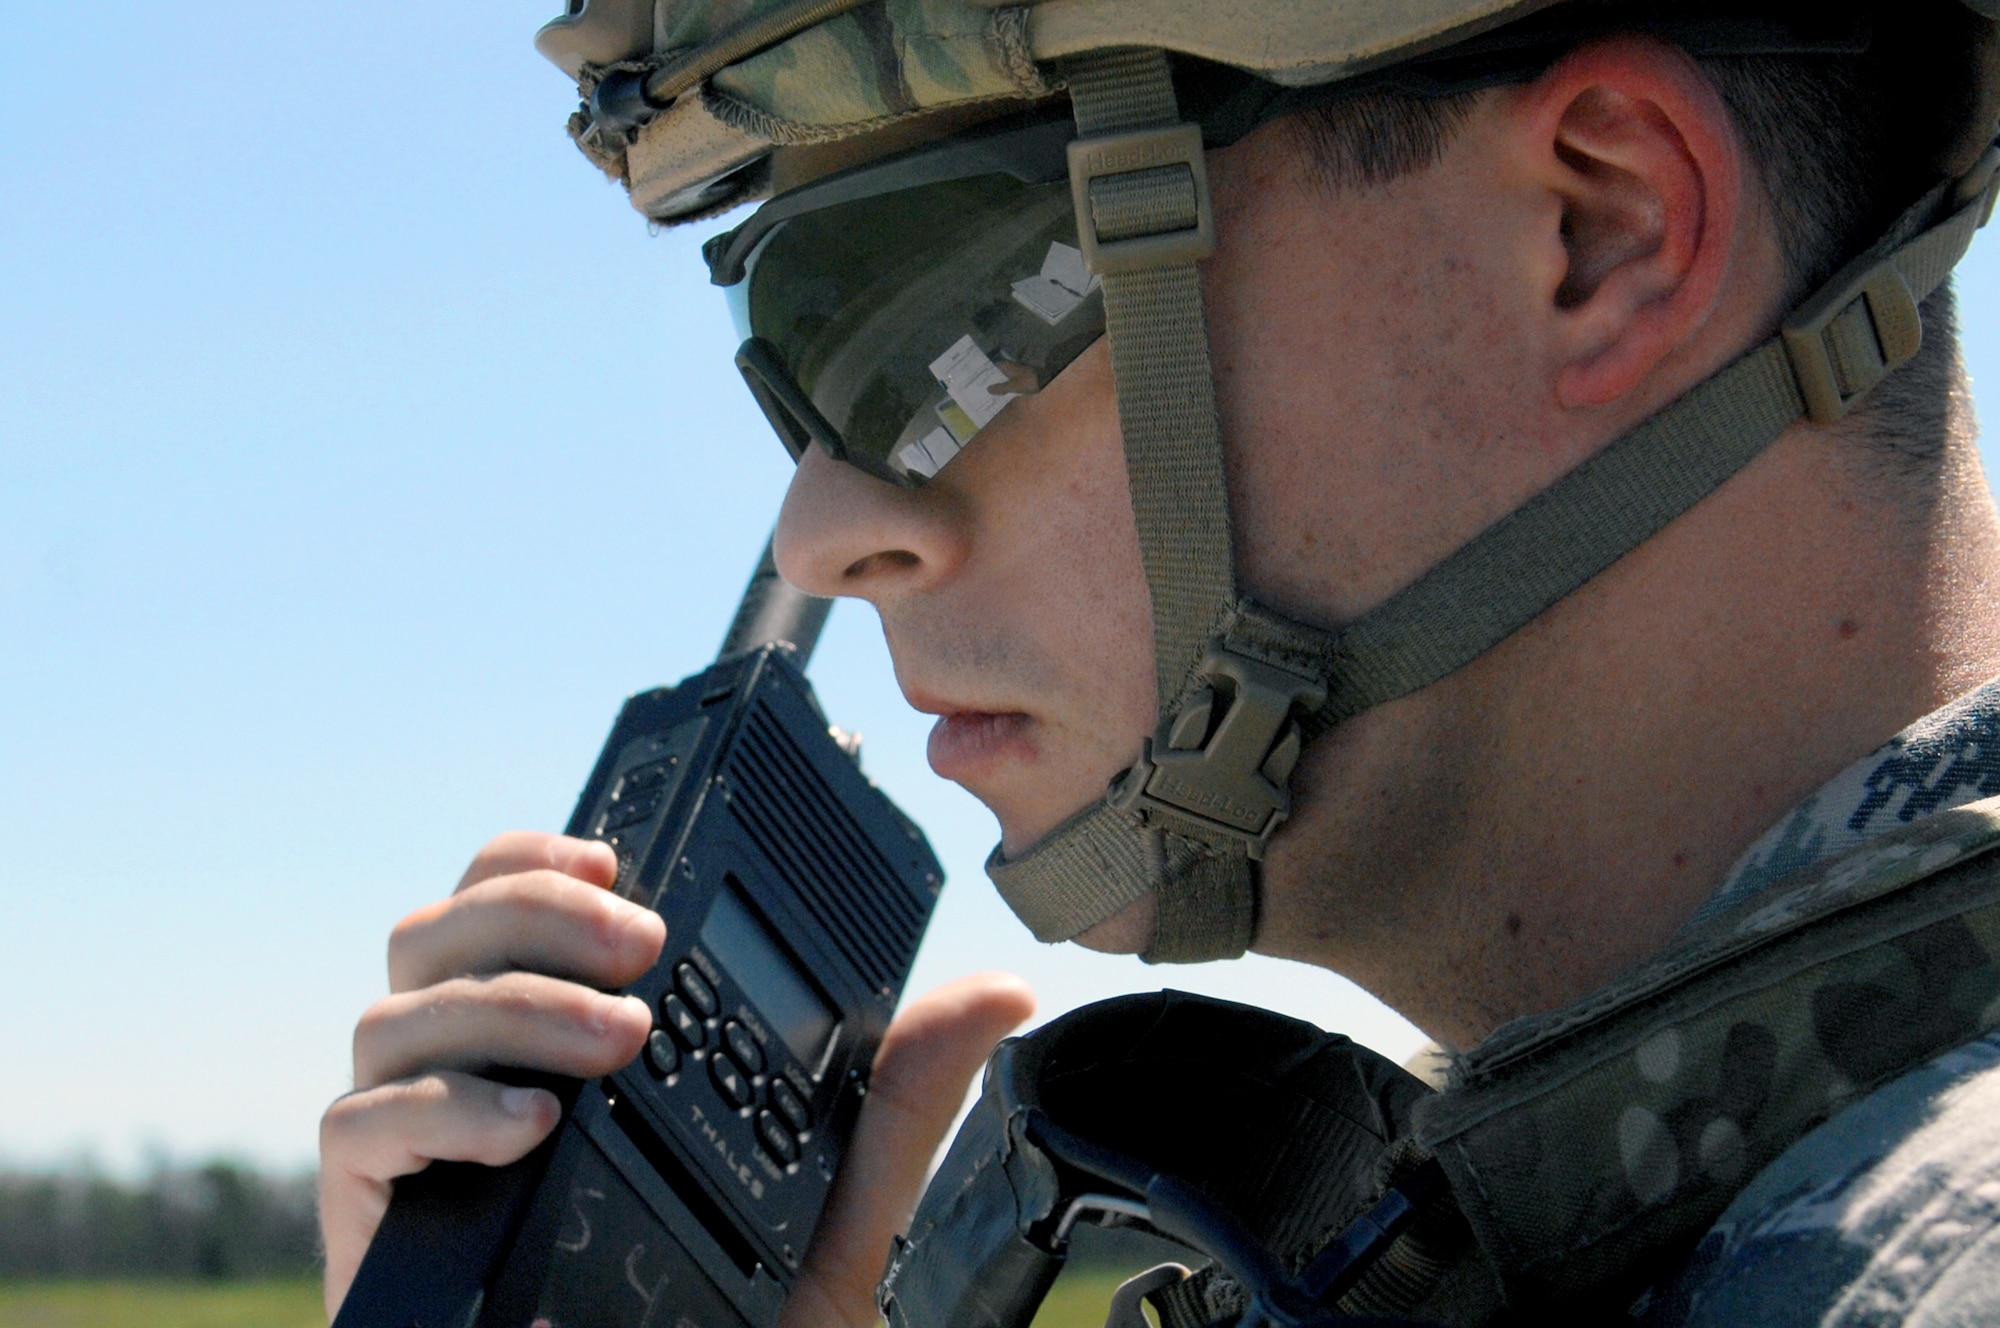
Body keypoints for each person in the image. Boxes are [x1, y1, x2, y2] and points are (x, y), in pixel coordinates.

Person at [320, 0, 2000, 1322]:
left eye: (928, 318)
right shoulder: (1568, 1238)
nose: (824, 527)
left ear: (1601, 232)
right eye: (797, 358)